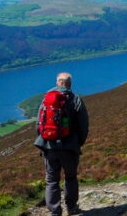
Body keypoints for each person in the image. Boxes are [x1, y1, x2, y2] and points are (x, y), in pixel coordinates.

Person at [35, 72, 89, 216]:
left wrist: (44, 141)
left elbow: (39, 124)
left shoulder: (46, 99)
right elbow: (83, 125)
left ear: (57, 82)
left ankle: (54, 211)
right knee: (70, 177)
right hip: (70, 147)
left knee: (51, 180)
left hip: (49, 147)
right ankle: (71, 207)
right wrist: (79, 143)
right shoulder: (75, 99)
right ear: (70, 84)